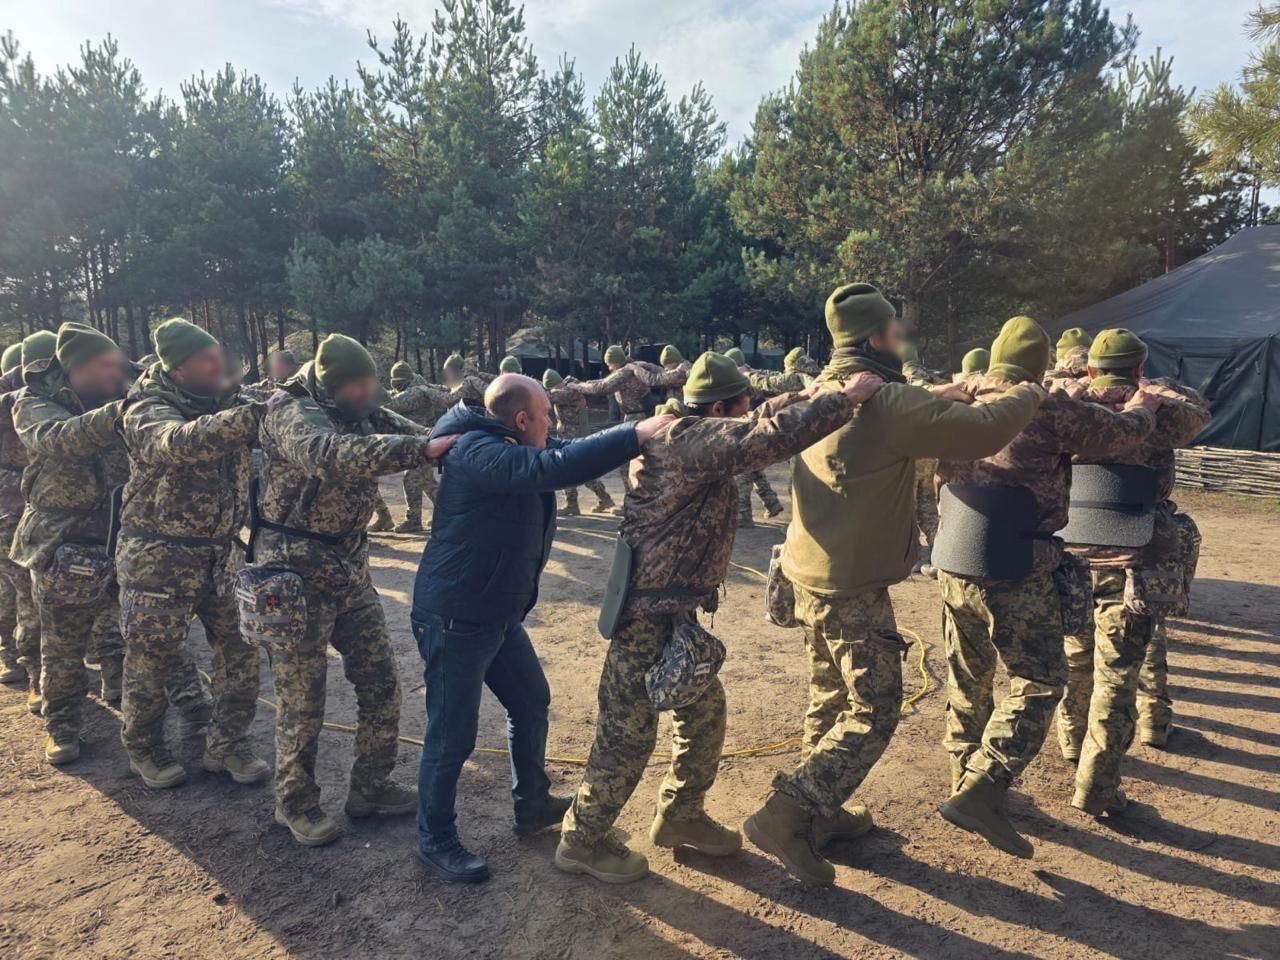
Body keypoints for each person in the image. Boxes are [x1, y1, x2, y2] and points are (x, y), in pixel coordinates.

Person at [743, 283, 1043, 887]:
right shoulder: (890, 403)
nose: (900, 339)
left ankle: (821, 814)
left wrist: (936, 393)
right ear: (877, 336)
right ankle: (788, 812)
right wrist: (1030, 392)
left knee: (830, 696)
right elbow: (983, 430)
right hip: (852, 586)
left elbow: (891, 411)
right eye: (894, 330)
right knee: (874, 709)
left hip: (807, 573)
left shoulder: (826, 391)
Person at [556, 354, 884, 885]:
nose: (750, 410)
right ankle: (581, 839)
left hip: (673, 614)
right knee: (626, 736)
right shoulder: (687, 441)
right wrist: (844, 401)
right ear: (717, 407)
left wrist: (801, 397)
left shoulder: (691, 429)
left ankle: (681, 816)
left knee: (704, 717)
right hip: (646, 618)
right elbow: (761, 440)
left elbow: (754, 423)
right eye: (742, 403)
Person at [411, 373, 668, 882]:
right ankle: (434, 837)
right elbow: (555, 464)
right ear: (522, 419)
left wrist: (635, 437)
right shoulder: (477, 452)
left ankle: (531, 804)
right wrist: (634, 433)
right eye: (546, 414)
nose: (552, 424)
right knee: (452, 735)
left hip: (496, 613)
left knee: (531, 702)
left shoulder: (507, 440)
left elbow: (565, 449)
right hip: (457, 617)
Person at [931, 317, 1159, 858]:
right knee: (1038, 683)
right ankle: (983, 790)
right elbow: (1123, 435)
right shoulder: (1045, 405)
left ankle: (964, 776)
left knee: (968, 678)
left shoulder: (958, 399)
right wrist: (1145, 406)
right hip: (1013, 566)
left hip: (951, 560)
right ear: (1041, 365)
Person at [252, 334, 455, 846]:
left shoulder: (364, 408)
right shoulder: (290, 411)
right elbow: (327, 454)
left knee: (381, 681)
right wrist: (419, 449)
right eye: (358, 385)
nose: (369, 393)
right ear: (332, 385)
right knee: (303, 699)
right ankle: (294, 803)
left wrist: (467, 438)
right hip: (291, 576)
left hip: (347, 568)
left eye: (372, 383)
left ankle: (370, 786)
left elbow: (418, 432)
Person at [1052, 329, 1210, 816]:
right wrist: (1150, 389)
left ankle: (1072, 743)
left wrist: (1080, 379)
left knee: (1075, 658)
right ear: (1139, 368)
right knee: (1117, 675)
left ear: (1093, 367)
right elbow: (1199, 410)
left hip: (1072, 551)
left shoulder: (1067, 404)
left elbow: (1044, 385)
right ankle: (1097, 787)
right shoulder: (1163, 412)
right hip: (1134, 555)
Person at [116, 319, 267, 789]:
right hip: (158, 560)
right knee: (151, 660)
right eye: (206, 358)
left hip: (220, 556)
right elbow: (175, 443)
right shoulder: (146, 407)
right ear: (178, 369)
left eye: (218, 354)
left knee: (242, 653)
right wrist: (252, 416)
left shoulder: (228, 401)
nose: (218, 363)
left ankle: (228, 746)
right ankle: (145, 747)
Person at [11, 323, 130, 765]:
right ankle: (63, 728)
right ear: (76, 368)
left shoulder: (119, 393)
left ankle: (139, 707)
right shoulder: (34, 403)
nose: (116, 374)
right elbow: (59, 440)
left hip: (120, 535)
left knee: (138, 633)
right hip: (63, 542)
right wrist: (123, 410)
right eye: (106, 366)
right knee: (63, 645)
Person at [566, 346, 653, 490]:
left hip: (635, 418)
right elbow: (604, 381)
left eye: (610, 363)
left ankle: (631, 497)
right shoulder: (630, 368)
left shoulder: (623, 373)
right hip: (641, 416)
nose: (609, 367)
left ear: (616, 361)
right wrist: (583, 382)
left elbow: (601, 387)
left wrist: (577, 387)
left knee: (626, 462)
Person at [384, 361, 452, 532]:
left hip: (421, 444)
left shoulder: (415, 393)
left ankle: (413, 520)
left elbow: (391, 405)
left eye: (398, 383)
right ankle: (448, 514)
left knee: (411, 479)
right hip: (422, 443)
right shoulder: (418, 388)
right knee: (427, 482)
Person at [542, 368, 616, 516]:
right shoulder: (570, 389)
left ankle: (574, 504)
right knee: (583, 472)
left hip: (573, 438)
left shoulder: (566, 393)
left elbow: (547, 396)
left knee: (568, 471)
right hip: (574, 437)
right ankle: (602, 498)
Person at [0, 343, 28, 686]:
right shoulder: (20, 402)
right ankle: (18, 658)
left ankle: (15, 658)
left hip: (26, 511)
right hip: (12, 513)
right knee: (19, 593)